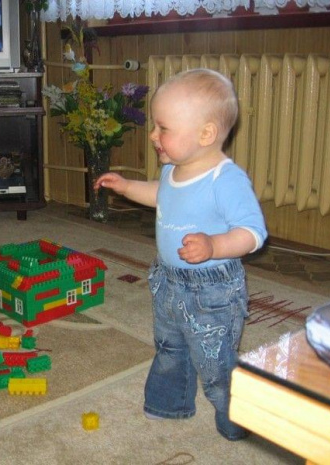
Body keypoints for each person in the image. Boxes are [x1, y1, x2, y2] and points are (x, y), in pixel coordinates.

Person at [94, 68, 268, 441]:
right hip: (169, 282)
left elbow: (253, 233)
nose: (153, 136)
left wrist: (214, 245)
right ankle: (170, 402)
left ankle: (237, 415)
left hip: (212, 291)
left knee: (215, 360)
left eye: (163, 128)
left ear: (206, 134)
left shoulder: (227, 179)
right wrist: (125, 187)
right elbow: (161, 194)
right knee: (170, 346)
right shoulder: (175, 169)